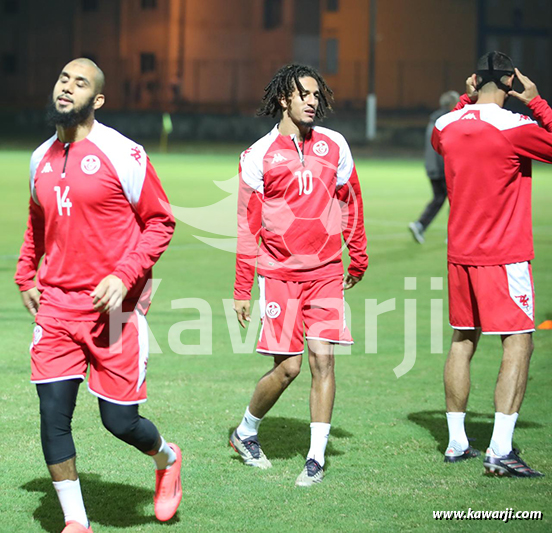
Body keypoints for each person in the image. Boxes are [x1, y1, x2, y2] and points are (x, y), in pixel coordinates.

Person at [14, 58, 181, 532]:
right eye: (62, 78)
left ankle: (167, 459)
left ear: (98, 99)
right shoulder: (39, 158)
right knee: (53, 417)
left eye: (80, 82)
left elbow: (160, 222)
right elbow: (38, 221)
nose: (67, 87)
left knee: (121, 423)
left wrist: (123, 276)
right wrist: (27, 272)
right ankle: (76, 523)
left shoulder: (124, 153)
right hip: (57, 308)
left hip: (115, 311)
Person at [230, 64, 368, 486]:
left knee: (323, 361)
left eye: (316, 95)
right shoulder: (258, 155)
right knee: (288, 368)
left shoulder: (335, 145)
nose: (312, 101)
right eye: (304, 94)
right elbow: (247, 225)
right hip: (278, 274)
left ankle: (315, 458)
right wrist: (241, 288)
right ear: (283, 100)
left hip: (325, 272)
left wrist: (357, 255)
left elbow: (351, 201)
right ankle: (245, 431)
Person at [432, 51, 552, 477]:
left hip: (460, 254)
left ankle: (456, 442)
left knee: (463, 341)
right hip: (503, 256)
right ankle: (500, 450)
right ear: (510, 81)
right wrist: (536, 102)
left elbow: (440, 137)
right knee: (519, 342)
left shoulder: (447, 124)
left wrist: (464, 101)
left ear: (474, 81)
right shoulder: (516, 127)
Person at [408, 90, 460, 244]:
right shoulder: (447, 121)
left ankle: (420, 225)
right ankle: (454, 234)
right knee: (455, 200)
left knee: (439, 199)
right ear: (451, 104)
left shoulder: (433, 120)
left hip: (432, 167)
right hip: (443, 168)